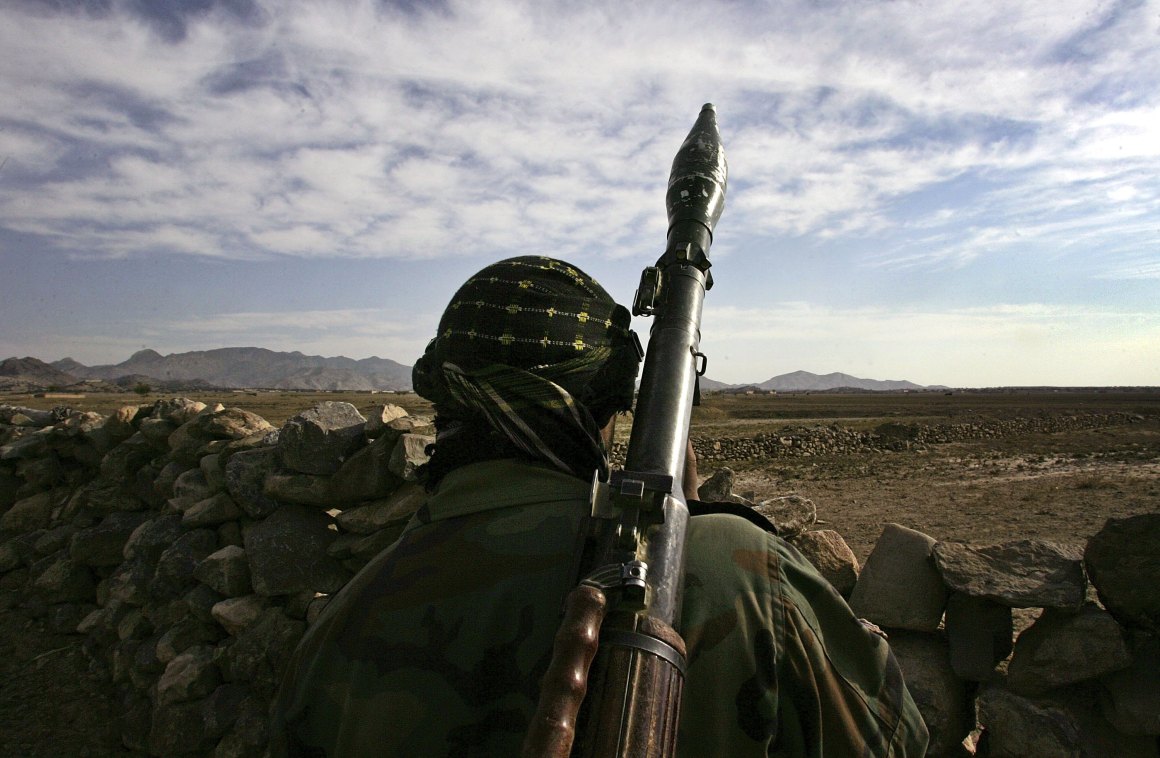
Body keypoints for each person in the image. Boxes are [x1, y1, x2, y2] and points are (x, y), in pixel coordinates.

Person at [270, 256, 929, 757]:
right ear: (594, 416)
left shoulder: (343, 624)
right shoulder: (739, 571)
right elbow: (895, 737)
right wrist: (693, 532)